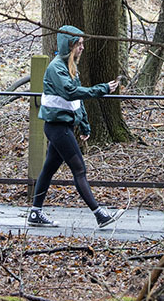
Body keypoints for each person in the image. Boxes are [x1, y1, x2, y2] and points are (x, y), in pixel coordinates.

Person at [27, 25, 124, 228]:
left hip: (63, 126)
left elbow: (75, 102)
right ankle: (99, 214)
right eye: (78, 44)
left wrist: (85, 125)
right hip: (57, 128)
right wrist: (102, 89)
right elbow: (71, 93)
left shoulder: (69, 66)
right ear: (68, 45)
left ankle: (35, 212)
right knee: (79, 169)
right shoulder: (56, 68)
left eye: (82, 44)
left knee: (48, 169)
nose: (82, 48)